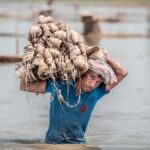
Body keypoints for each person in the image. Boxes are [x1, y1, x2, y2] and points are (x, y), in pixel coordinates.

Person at [20, 55, 128, 144]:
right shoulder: (60, 85)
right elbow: (24, 86)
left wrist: (105, 56)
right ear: (82, 73)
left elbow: (122, 73)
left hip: (78, 143)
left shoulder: (96, 93)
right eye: (92, 77)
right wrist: (29, 64)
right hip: (53, 143)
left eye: (98, 82)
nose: (93, 85)